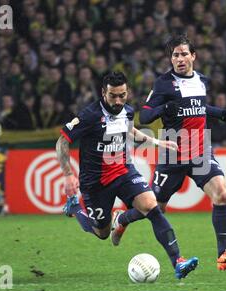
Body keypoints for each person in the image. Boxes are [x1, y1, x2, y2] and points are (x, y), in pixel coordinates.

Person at [111, 35, 226, 271]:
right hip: (173, 153)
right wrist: (166, 107)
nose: (179, 59)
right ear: (170, 59)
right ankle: (122, 219)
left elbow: (197, 107)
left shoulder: (202, 80)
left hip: (201, 151)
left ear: (193, 56)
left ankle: (223, 255)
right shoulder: (164, 83)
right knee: (154, 208)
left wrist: (219, 113)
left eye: (184, 54)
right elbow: (145, 116)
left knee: (222, 194)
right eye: (175, 55)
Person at [56, 71, 199, 279]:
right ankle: (75, 207)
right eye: (113, 96)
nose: (118, 101)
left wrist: (158, 142)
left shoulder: (128, 111)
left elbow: (131, 132)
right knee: (102, 233)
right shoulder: (89, 115)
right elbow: (62, 141)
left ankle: (178, 261)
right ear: (103, 93)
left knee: (153, 206)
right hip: (96, 182)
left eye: (122, 95)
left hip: (123, 171)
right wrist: (68, 174)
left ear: (127, 92)